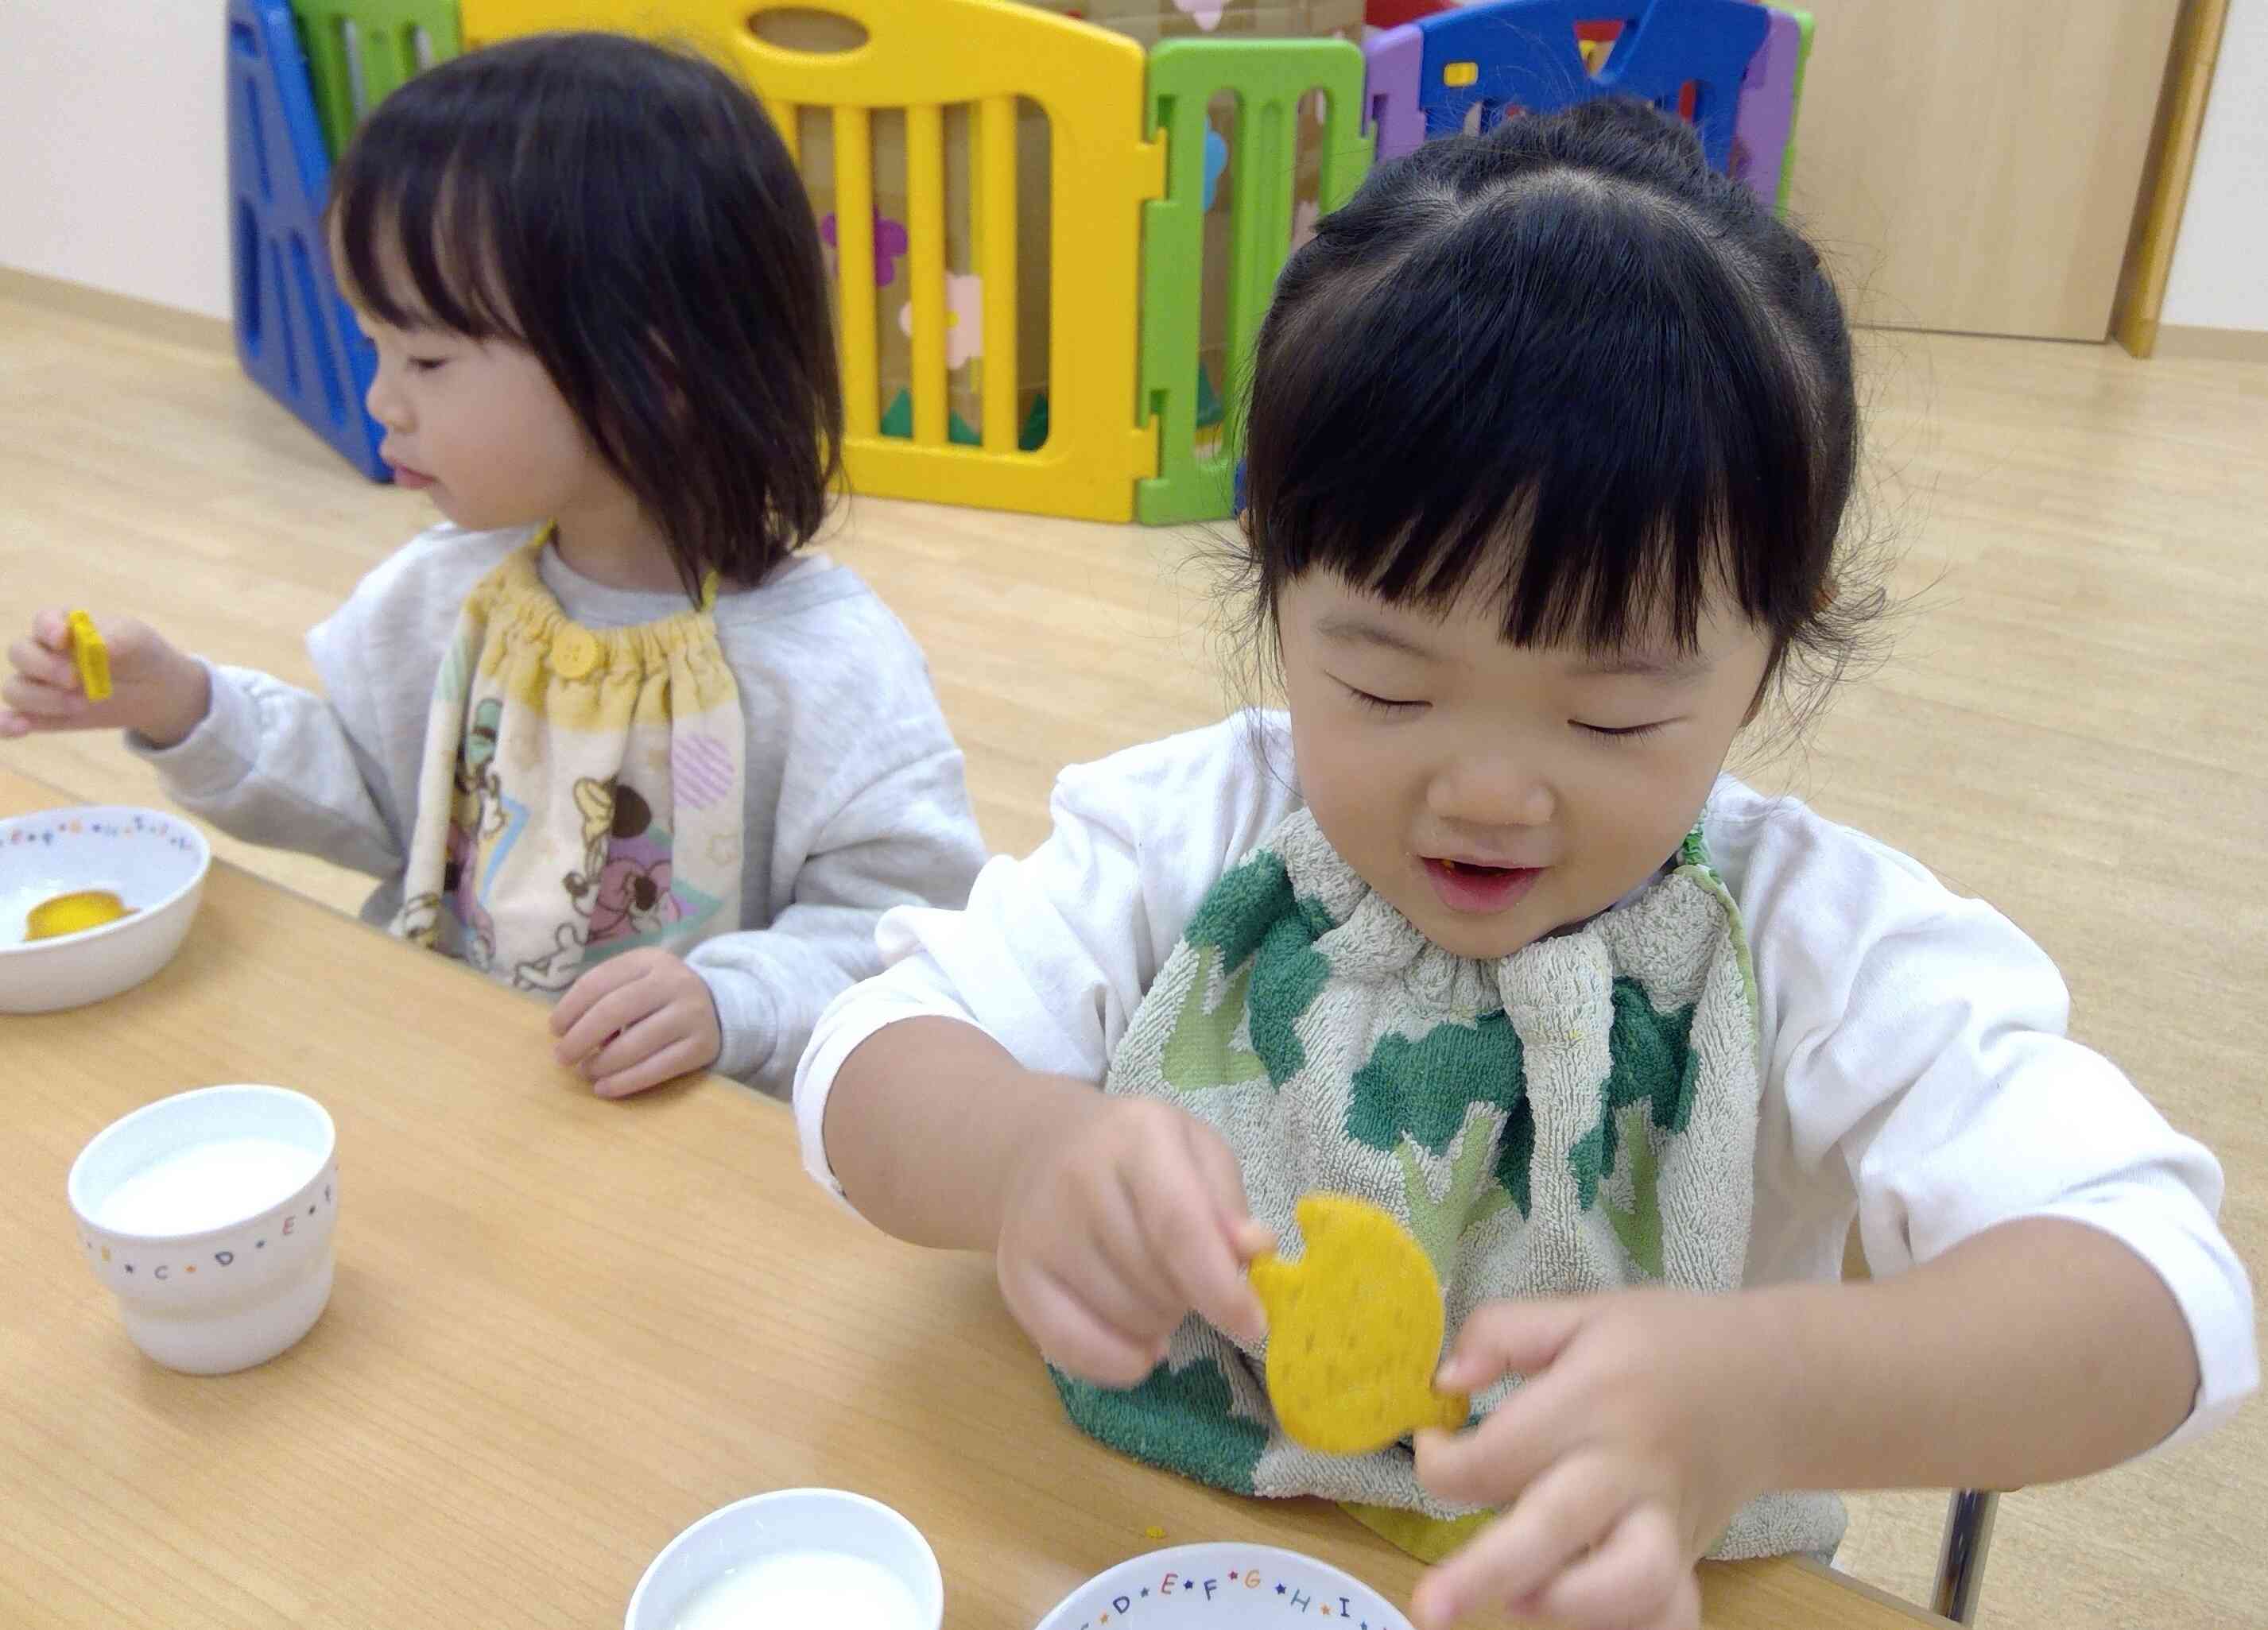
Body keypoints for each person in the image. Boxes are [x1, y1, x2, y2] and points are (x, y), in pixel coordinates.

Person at [791, 99, 2256, 1630]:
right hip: (1146, 1535)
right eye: (1385, 690)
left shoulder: (1808, 941)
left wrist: (1772, 1396)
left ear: (1769, 646)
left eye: (1613, 711)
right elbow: (864, 1065)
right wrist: (1023, 1156)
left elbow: (2168, 1297)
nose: (1486, 792)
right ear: (1276, 581)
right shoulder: (1197, 829)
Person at [2, 33, 987, 1100]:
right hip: (456, 1075)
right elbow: (376, 802)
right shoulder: (442, 597)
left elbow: (905, 923)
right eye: (374, 344)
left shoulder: (827, 666)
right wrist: (186, 705)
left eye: (426, 358)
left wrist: (735, 1001)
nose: (382, 398)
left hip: (683, 1135)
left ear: (649, 373)